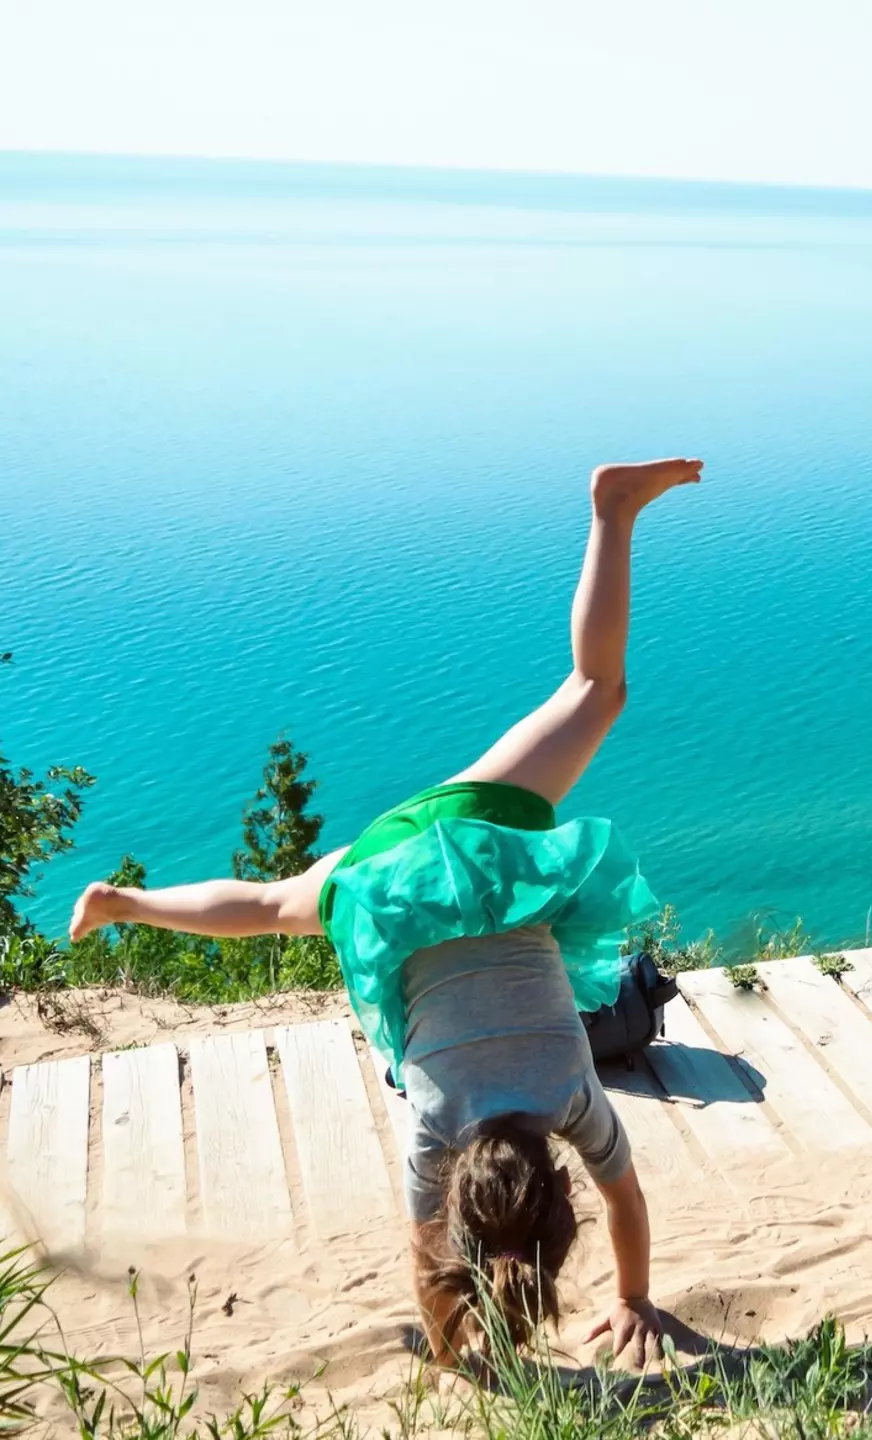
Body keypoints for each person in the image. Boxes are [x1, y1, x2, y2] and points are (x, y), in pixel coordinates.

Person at [68, 458, 704, 1368]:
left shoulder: (572, 1091)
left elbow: (625, 1199)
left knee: (595, 691)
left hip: (466, 841)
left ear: (558, 1188)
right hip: (379, 880)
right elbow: (423, 1258)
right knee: (271, 905)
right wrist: (456, 1347)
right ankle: (126, 903)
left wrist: (634, 1296)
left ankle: (614, 510)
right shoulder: (435, 1132)